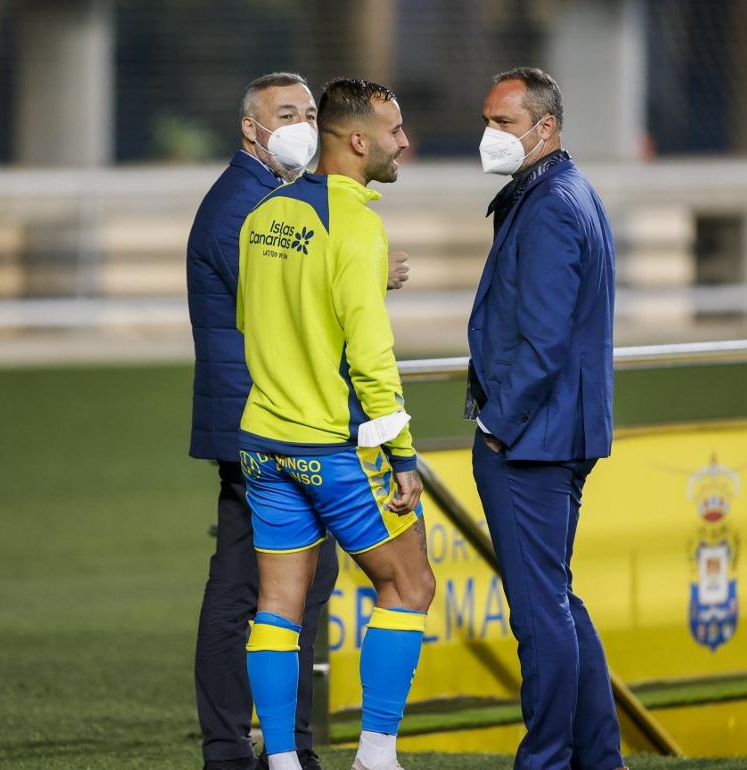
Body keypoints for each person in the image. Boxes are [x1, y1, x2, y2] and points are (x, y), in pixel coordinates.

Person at [186, 72, 408, 770]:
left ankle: (283, 752)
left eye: (310, 112)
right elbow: (286, 311)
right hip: (284, 424)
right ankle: (249, 747)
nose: (301, 126)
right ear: (250, 129)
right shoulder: (247, 209)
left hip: (264, 422)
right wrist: (359, 273)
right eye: (286, 114)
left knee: (287, 595)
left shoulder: (269, 208)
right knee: (260, 595)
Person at [236, 77, 435, 770]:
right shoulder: (356, 225)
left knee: (277, 609)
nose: (404, 142)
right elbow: (372, 356)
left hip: (262, 441)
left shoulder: (263, 215)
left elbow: (249, 324)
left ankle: (284, 763)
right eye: (394, 131)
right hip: (330, 445)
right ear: (357, 141)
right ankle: (376, 754)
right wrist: (402, 451)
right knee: (410, 586)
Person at [464, 67, 623, 770]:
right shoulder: (560, 191)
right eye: (489, 120)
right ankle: (598, 756)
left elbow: (546, 339)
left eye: (503, 122)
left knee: (538, 614)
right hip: (552, 431)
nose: (489, 135)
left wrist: (499, 424)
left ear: (545, 128)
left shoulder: (553, 202)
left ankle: (548, 760)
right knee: (556, 599)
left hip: (533, 439)